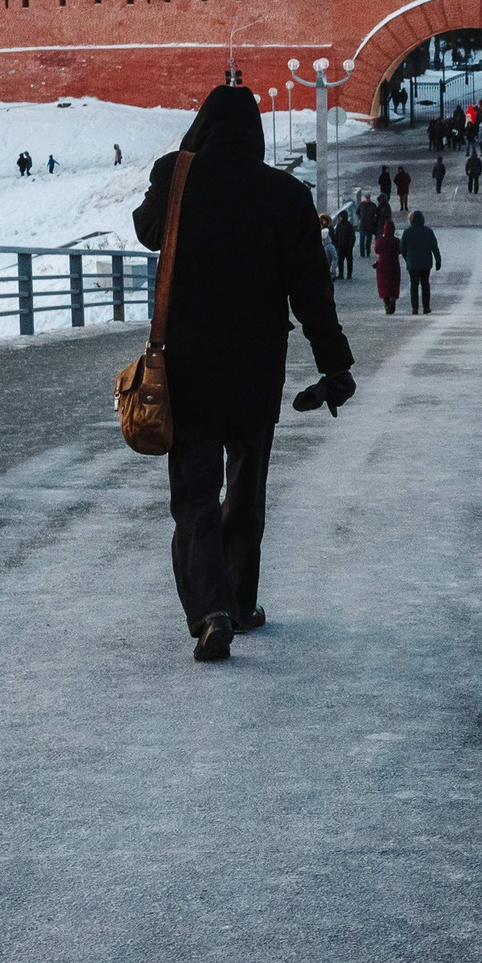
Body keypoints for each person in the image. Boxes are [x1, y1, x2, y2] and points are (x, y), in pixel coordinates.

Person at [132, 84, 352, 664]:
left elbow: (146, 231)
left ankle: (210, 612)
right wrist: (336, 365)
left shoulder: (178, 177)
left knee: (195, 495)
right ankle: (240, 600)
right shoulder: (286, 195)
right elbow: (312, 294)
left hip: (189, 367)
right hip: (256, 371)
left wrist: (182, 161)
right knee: (246, 488)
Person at [403, 209, 442, 314]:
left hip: (412, 263)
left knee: (414, 285)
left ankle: (414, 308)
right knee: (425, 284)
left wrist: (407, 258)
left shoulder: (407, 232)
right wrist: (438, 260)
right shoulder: (428, 231)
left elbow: (402, 248)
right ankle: (426, 307)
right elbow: (435, 247)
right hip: (426, 263)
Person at [373, 214, 401, 314]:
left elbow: (376, 250)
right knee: (394, 283)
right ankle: (393, 299)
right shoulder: (396, 241)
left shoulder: (380, 240)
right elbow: (400, 250)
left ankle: (386, 302)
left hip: (382, 265)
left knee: (383, 284)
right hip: (394, 265)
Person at [330, 205, 356, 277]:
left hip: (348, 247)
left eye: (340, 217)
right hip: (340, 246)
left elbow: (352, 236)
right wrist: (336, 244)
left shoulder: (349, 226)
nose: (339, 218)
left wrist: (351, 245)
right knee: (340, 261)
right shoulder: (339, 225)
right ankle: (341, 274)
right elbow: (337, 236)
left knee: (349, 261)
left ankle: (349, 274)